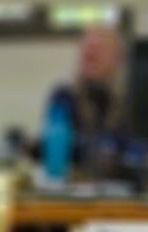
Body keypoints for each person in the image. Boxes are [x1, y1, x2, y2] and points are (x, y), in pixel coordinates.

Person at [39, 26, 128, 175]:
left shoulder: (123, 104)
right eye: (87, 49)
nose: (91, 53)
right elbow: (57, 150)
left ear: (117, 58)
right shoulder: (64, 97)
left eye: (100, 49)